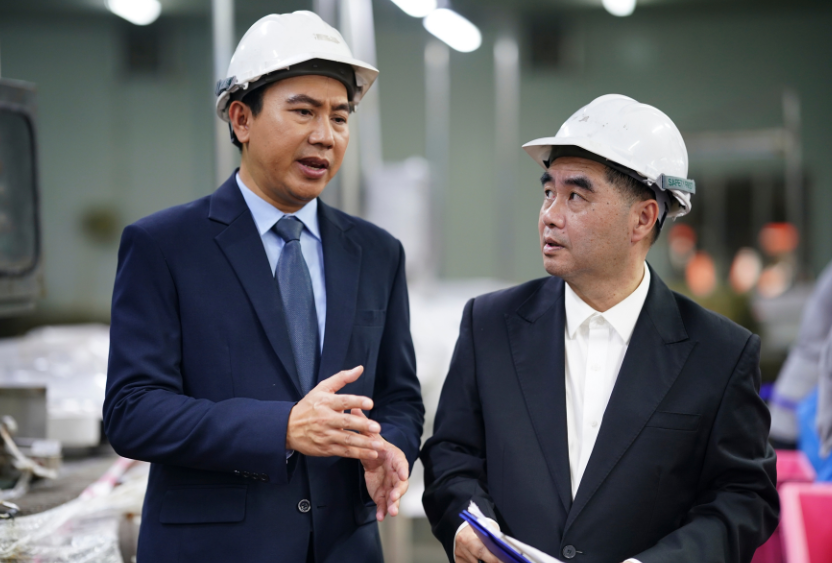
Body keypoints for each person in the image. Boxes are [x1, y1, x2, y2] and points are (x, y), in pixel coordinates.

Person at [103, 11, 424, 563]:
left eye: (340, 117)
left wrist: (388, 446)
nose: (325, 135)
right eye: (303, 111)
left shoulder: (376, 253)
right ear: (242, 118)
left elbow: (399, 397)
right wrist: (281, 426)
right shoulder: (164, 246)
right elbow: (134, 412)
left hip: (344, 547)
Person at [421, 94, 778, 563]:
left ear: (643, 218)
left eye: (576, 196)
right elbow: (452, 454)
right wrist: (466, 527)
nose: (549, 214)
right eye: (548, 191)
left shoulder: (719, 353)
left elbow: (743, 496)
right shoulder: (490, 326)